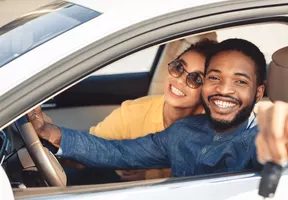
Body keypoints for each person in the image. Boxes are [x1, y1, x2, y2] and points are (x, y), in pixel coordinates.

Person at [28, 38, 288, 177]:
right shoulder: (182, 132)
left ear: (259, 92)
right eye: (214, 78)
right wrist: (52, 133)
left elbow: (279, 161)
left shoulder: (258, 136)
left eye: (240, 82)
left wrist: (287, 146)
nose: (224, 89)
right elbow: (118, 151)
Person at [40, 39, 217, 183]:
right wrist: (50, 138)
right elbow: (94, 148)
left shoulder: (213, 133)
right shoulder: (133, 112)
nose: (180, 80)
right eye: (179, 68)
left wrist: (147, 177)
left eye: (195, 79)